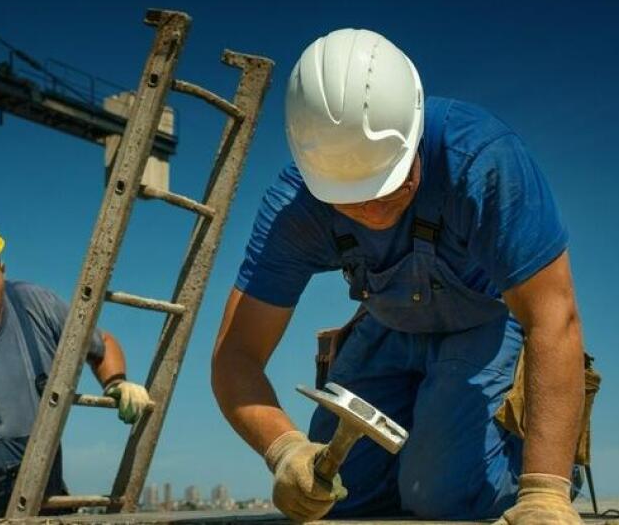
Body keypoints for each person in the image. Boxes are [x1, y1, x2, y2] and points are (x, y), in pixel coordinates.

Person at [211, 29, 586, 524]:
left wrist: (544, 492)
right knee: (333, 495)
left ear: (414, 130)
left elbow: (552, 317)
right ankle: (427, 439)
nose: (372, 208)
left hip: (483, 324)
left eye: (389, 185)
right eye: (352, 198)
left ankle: (528, 461)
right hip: (386, 328)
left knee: (441, 499)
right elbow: (236, 356)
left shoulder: (480, 159)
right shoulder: (295, 209)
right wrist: (283, 451)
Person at [0, 207, 153, 524]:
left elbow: (102, 346)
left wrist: (116, 383)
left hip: (48, 504)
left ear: (2, 269)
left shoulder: (37, 305)